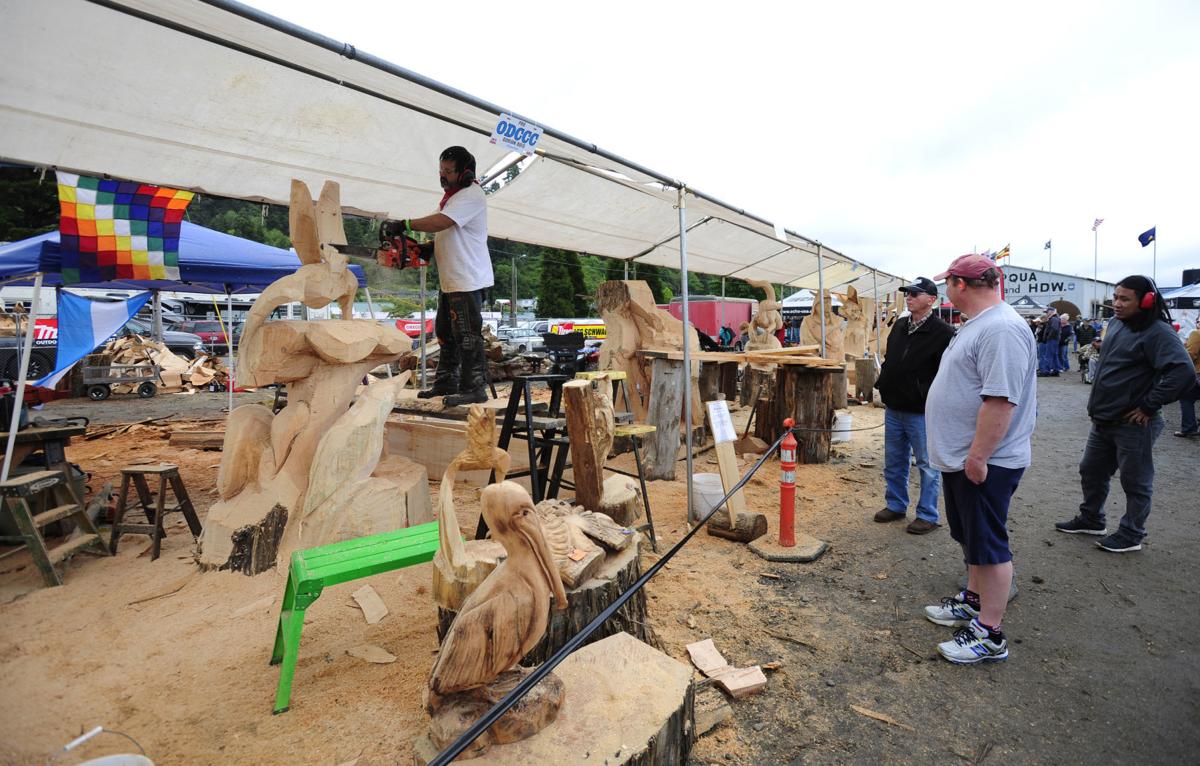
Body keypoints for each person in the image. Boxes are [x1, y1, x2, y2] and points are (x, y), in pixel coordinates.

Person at [921, 254, 1037, 664]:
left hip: (987, 459)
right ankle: (973, 601)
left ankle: (990, 633)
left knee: (988, 544)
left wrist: (979, 455)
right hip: (966, 456)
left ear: (960, 284)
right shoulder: (981, 325)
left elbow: (1001, 400)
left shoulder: (1002, 328)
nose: (944, 291)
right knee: (972, 537)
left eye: (947, 283)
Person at [1055, 276, 1193, 552]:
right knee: (1091, 471)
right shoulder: (1117, 323)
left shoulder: (1158, 331)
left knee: (1136, 481)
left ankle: (1132, 534)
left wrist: (1149, 405)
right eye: (1115, 297)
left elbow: (1183, 372)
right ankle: (1092, 519)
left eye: (1124, 299)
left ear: (1146, 301)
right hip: (1104, 419)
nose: (1116, 304)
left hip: (1134, 423)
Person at [401, 146, 493, 407]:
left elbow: (442, 223)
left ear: (465, 173)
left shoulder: (471, 195)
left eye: (449, 172)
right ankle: (445, 383)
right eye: (441, 171)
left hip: (467, 279)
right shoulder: (452, 199)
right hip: (452, 280)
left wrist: (407, 225)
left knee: (467, 336)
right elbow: (447, 235)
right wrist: (426, 249)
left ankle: (474, 387)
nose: (443, 177)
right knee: (445, 334)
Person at [871, 277, 955, 535]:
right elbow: (890, 358)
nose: (909, 297)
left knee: (927, 465)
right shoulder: (900, 325)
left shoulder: (944, 333)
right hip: (895, 406)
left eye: (915, 294)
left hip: (921, 411)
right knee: (894, 461)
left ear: (931, 299)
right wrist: (884, 383)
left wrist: (928, 396)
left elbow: (947, 373)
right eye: (908, 293)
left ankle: (928, 514)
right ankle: (895, 505)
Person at [1176, 317, 1200, 437]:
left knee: (1186, 397)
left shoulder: (1196, 333)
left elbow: (1191, 354)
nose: (1197, 324)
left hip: (1198, 373)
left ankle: (1189, 427)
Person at [1036, 307, 1061, 376]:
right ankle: (1056, 370)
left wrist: (1048, 337)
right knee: (1054, 355)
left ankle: (1046, 371)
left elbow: (1054, 329)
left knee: (1048, 355)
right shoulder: (1055, 319)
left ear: (1051, 312)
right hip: (1054, 339)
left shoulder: (1053, 319)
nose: (1046, 313)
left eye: (1047, 312)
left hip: (1052, 339)